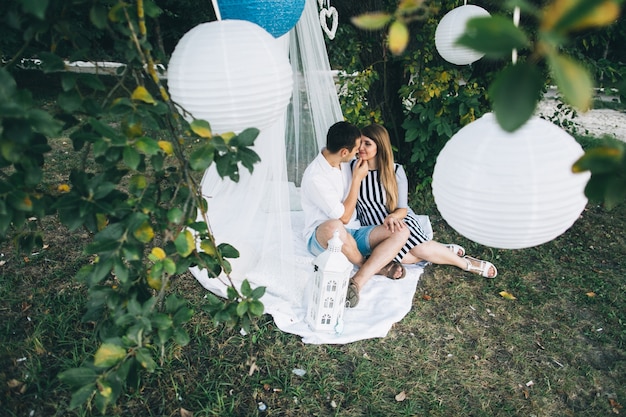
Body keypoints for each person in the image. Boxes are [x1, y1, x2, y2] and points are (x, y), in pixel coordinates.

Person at [352, 123, 497, 278]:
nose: (361, 147)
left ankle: (466, 264)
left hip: (397, 220)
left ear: (380, 146)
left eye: (367, 143)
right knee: (407, 258)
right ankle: (441, 250)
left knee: (421, 250)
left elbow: (402, 208)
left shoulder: (395, 171)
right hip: (373, 227)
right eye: (360, 142)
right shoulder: (353, 167)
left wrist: (393, 217)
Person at [301, 121, 410, 308]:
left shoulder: (344, 162)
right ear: (344, 152)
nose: (359, 152)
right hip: (324, 237)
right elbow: (342, 218)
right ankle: (368, 265)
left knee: (402, 231)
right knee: (334, 226)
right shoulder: (316, 177)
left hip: (354, 230)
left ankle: (356, 281)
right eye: (355, 149)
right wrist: (357, 180)